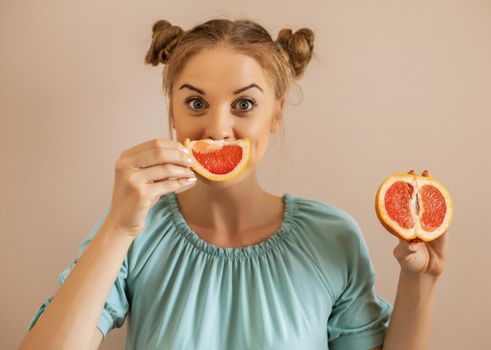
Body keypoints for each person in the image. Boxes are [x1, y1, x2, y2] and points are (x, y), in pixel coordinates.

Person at [19, 18, 448, 350]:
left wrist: (421, 280)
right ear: (172, 111)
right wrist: (118, 227)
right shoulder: (136, 230)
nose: (218, 128)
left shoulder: (332, 236)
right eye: (196, 103)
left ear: (276, 113)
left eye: (244, 104)